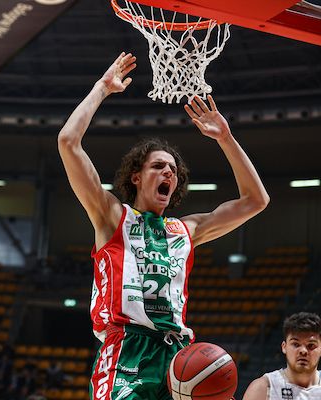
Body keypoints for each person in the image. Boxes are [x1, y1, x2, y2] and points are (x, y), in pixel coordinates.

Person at [57, 51, 269, 400]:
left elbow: (256, 201)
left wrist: (226, 139)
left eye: (173, 169)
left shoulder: (186, 230)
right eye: (158, 166)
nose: (168, 171)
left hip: (177, 356)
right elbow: (68, 142)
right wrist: (102, 89)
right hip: (127, 347)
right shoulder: (112, 216)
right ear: (136, 177)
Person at [243, 312, 321, 400]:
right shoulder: (263, 388)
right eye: (296, 344)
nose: (303, 351)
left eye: (311, 345)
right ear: (284, 347)